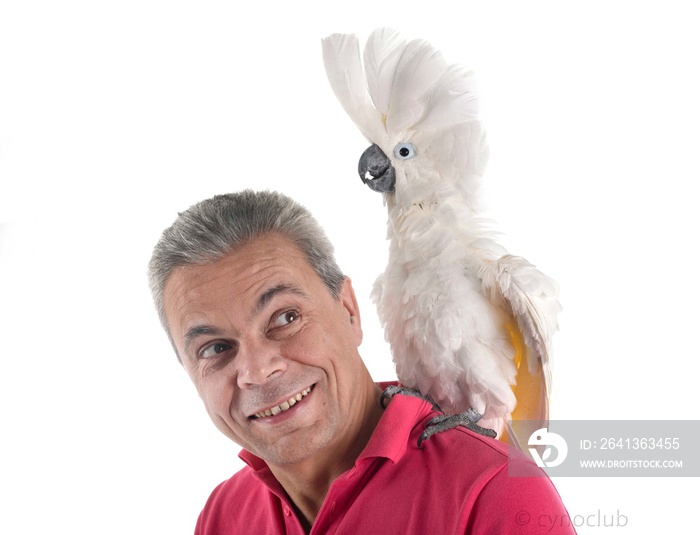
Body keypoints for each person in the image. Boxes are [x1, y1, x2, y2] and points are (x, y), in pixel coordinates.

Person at [148, 189, 577, 534]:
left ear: (350, 312)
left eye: (286, 318)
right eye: (216, 348)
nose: (258, 370)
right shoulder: (224, 514)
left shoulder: (493, 491)